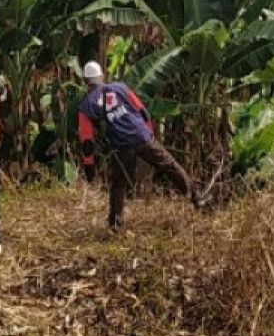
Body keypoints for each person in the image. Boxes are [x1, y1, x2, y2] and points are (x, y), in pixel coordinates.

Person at [77, 61, 202, 229]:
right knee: (169, 165)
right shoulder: (120, 87)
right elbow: (141, 110)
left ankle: (116, 223)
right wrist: (149, 133)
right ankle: (196, 197)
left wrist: (89, 166)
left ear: (86, 81)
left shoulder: (86, 106)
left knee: (118, 183)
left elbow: (87, 141)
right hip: (142, 137)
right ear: (102, 76)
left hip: (122, 145)